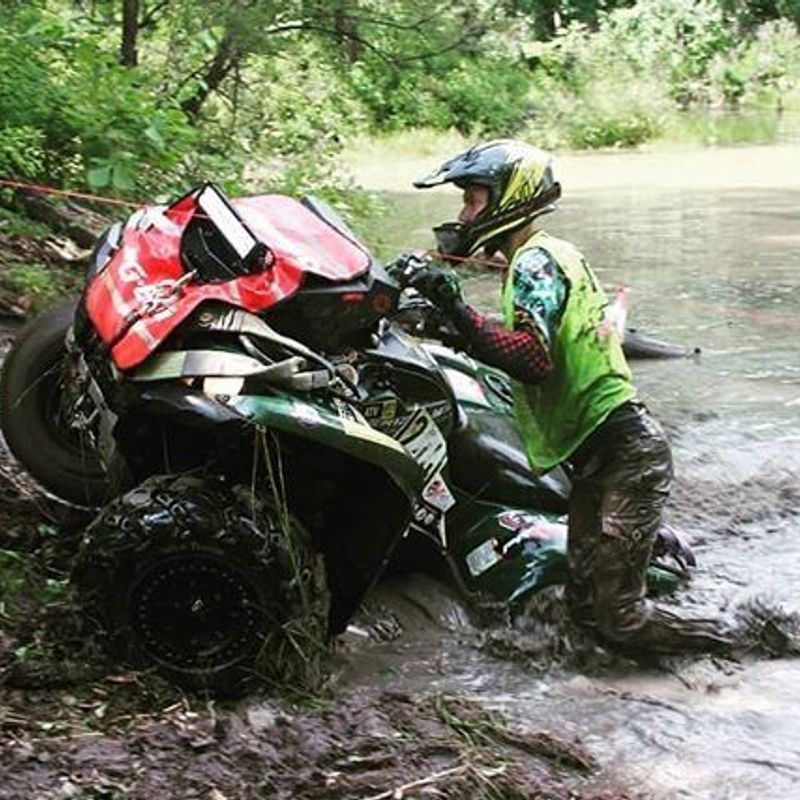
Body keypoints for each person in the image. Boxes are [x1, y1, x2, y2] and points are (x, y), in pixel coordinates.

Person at [409, 139, 730, 654]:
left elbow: (534, 360)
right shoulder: (539, 259)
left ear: (508, 197)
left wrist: (458, 311)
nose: (464, 212)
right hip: (598, 458)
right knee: (585, 610)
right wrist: (454, 321)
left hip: (627, 454)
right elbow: (528, 342)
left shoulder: (536, 261)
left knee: (619, 616)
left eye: (472, 199)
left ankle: (748, 641)